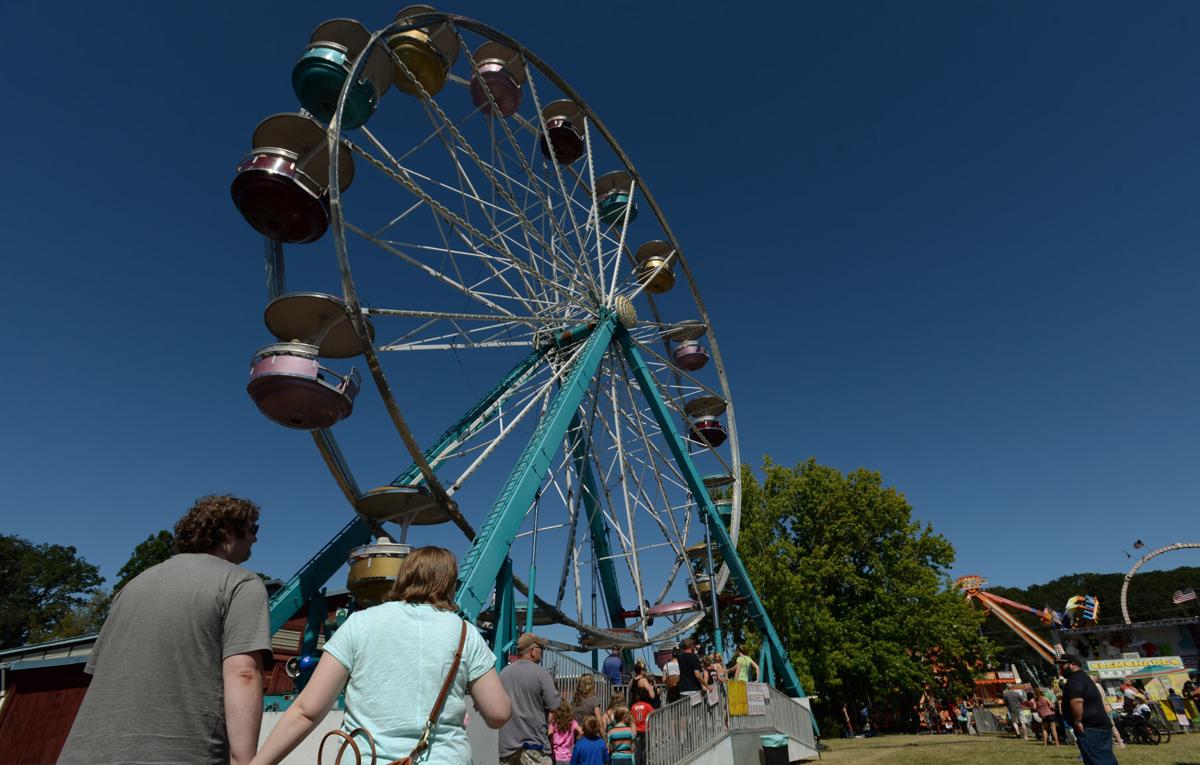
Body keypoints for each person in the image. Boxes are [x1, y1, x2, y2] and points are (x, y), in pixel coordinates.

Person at [59, 495, 272, 765]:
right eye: (254, 529)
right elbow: (243, 673)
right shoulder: (241, 583)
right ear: (228, 531)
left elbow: (100, 676)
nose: (255, 539)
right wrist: (245, 761)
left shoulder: (131, 587)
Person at [250, 547, 509, 765]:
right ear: (450, 585)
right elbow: (498, 713)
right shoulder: (465, 632)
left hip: (365, 757)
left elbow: (307, 710)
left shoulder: (359, 623)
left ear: (404, 577)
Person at [500, 631, 562, 764]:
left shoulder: (503, 674)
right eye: (541, 648)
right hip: (534, 747)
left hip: (506, 748)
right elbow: (555, 706)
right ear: (532, 650)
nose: (542, 652)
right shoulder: (541, 673)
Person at [1058, 653, 1119, 765]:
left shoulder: (1075, 680)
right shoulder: (1083, 677)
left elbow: (1077, 701)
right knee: (1104, 758)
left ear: (1072, 665)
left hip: (1090, 728)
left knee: (1098, 761)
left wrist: (1077, 721)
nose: (1060, 668)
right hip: (1097, 726)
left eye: (1062, 665)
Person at [549, 699, 582, 765]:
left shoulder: (553, 724)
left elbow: (549, 734)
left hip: (556, 757)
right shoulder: (572, 723)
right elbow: (582, 731)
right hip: (569, 757)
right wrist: (577, 739)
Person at [630, 686, 654, 764]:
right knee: (645, 749)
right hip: (646, 730)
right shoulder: (648, 706)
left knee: (637, 750)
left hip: (637, 731)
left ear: (638, 696)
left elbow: (632, 719)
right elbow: (653, 715)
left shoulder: (633, 707)